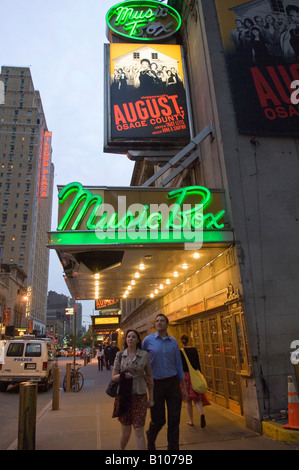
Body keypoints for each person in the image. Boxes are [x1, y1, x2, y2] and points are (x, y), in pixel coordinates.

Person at [142, 313, 188, 450]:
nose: (159, 322)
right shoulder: (148, 341)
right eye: (157, 321)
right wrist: (146, 381)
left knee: (174, 419)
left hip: (173, 383)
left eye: (162, 321)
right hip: (156, 385)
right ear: (155, 324)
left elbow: (178, 364)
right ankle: (151, 435)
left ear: (167, 324)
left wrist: (184, 386)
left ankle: (173, 449)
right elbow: (143, 361)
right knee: (158, 420)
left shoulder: (173, 342)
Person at [112, 329, 154, 450]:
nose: (130, 339)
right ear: (126, 340)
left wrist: (151, 398)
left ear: (137, 340)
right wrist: (123, 376)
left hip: (140, 396)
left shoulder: (144, 355)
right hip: (124, 396)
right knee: (126, 432)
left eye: (133, 337)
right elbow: (114, 377)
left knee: (139, 431)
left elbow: (150, 378)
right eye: (128, 336)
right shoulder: (120, 356)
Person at [180, 334, 210, 428]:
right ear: (189, 340)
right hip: (195, 375)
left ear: (181, 341)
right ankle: (201, 413)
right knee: (197, 398)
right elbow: (198, 364)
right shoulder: (194, 350)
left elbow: (179, 366)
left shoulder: (180, 352)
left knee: (188, 400)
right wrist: (200, 375)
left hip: (185, 376)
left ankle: (191, 421)